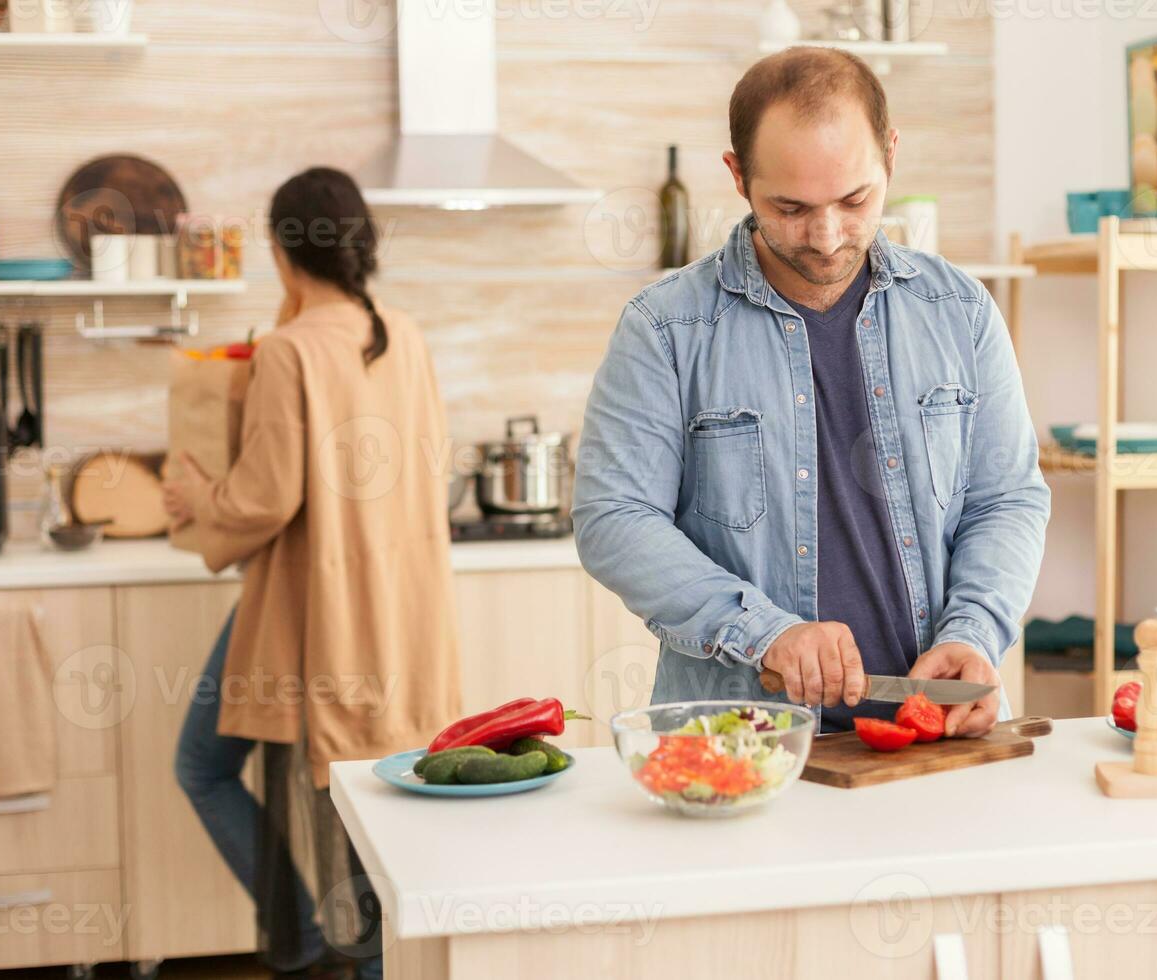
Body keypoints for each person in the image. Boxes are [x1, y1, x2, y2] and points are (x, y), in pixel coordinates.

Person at [573, 48, 1050, 735]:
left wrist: (974, 631)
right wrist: (765, 632)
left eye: (855, 200)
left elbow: (1006, 498)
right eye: (790, 208)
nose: (827, 238)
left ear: (890, 154)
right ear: (738, 177)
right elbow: (614, 517)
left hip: (941, 732)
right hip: (739, 740)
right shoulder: (665, 328)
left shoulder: (961, 311)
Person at [163, 167, 460, 979]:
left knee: (220, 768)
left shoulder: (288, 351)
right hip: (399, 608)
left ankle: (308, 946)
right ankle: (326, 949)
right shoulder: (401, 330)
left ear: (281, 250)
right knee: (369, 793)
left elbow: (262, 498)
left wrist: (197, 495)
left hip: (318, 606)